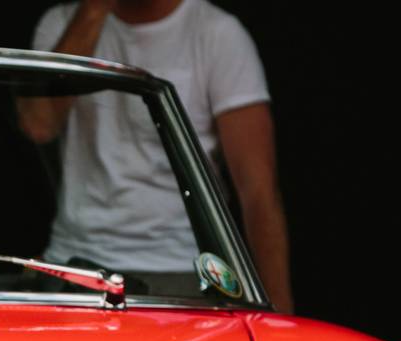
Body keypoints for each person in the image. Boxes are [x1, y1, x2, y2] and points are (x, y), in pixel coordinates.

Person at [19, 0, 293, 313]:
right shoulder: (60, 22)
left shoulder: (217, 34)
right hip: (77, 267)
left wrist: (280, 312)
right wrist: (94, 10)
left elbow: (258, 191)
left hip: (185, 273)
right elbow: (38, 124)